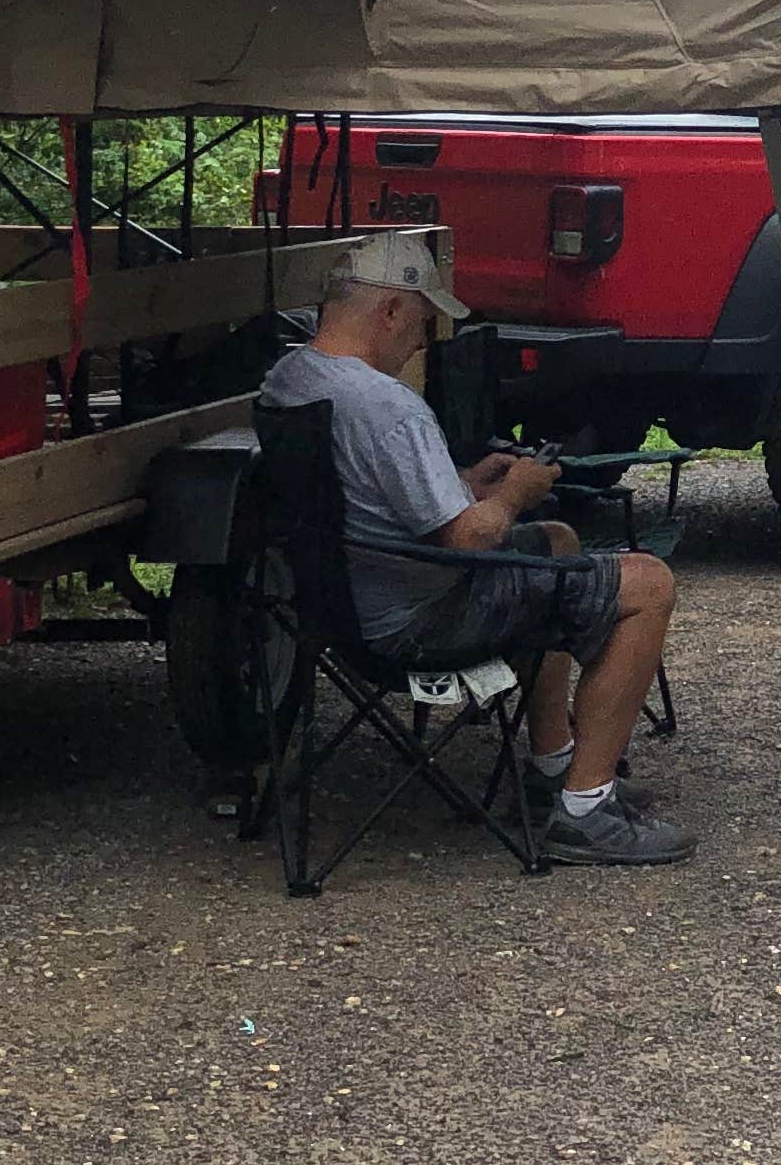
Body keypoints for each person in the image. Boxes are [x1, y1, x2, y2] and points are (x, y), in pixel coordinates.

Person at [257, 245, 692, 866]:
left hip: (346, 602)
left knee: (559, 542)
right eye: (420, 322)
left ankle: (552, 768)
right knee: (648, 584)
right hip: (421, 618)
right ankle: (586, 813)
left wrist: (463, 484)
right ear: (388, 310)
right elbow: (467, 540)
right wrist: (513, 494)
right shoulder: (387, 407)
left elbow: (374, 495)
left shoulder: (294, 379)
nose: (420, 340)